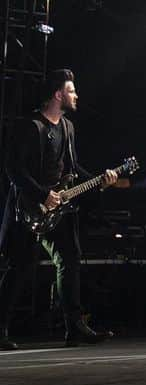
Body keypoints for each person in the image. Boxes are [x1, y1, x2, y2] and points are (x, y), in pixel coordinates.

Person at [0, 69, 119, 350]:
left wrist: (99, 180)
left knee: (70, 259)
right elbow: (13, 169)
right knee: (19, 267)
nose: (76, 95)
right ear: (57, 94)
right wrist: (42, 195)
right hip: (27, 208)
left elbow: (72, 169)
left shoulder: (67, 128)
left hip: (58, 211)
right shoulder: (29, 126)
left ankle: (75, 328)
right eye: (71, 90)